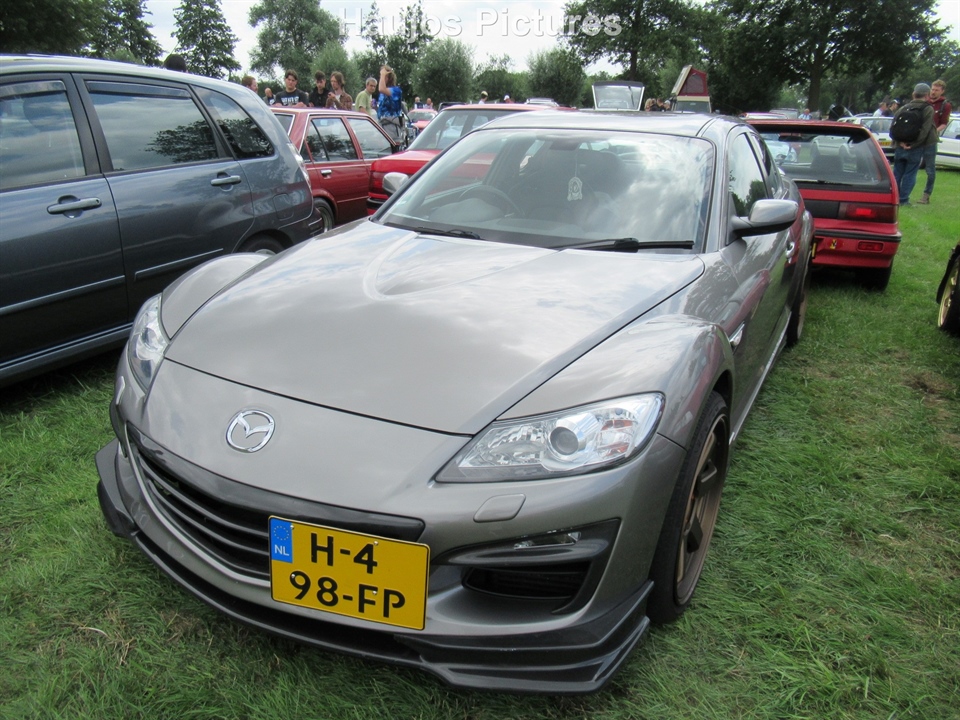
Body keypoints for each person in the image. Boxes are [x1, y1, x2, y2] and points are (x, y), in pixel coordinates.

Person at [891, 83, 937, 206]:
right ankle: (903, 200)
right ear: (927, 95)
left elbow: (893, 127)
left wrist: (900, 142)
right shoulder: (927, 109)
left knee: (897, 173)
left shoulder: (903, 108)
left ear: (913, 94)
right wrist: (914, 144)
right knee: (910, 173)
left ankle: (894, 198)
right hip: (915, 147)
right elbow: (925, 130)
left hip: (900, 146)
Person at [918, 79, 953, 204]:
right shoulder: (924, 102)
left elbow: (944, 123)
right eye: (932, 89)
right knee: (912, 165)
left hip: (931, 141)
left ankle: (926, 195)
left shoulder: (945, 105)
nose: (933, 92)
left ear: (942, 91)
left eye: (936, 90)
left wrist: (933, 132)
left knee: (930, 168)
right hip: (918, 138)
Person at [377, 65, 404, 144]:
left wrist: (383, 74)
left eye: (383, 76)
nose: (381, 78)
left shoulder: (396, 90)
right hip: (381, 124)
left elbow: (381, 89)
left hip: (391, 125)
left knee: (392, 148)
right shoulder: (382, 93)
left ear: (388, 78)